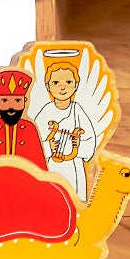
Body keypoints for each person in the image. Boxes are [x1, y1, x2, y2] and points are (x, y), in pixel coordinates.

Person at [34, 51, 98, 201]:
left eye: (68, 82)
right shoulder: (46, 112)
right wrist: (49, 147)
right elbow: (34, 140)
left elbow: (90, 139)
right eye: (56, 83)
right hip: (50, 166)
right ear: (48, 86)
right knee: (51, 197)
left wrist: (78, 147)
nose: (62, 87)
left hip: (74, 166)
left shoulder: (77, 111)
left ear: (76, 85)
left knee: (73, 198)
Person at [0, 67, 47, 170]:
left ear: (25, 101)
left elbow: (39, 168)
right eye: (5, 101)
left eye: (17, 100)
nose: (11, 106)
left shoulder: (30, 127)